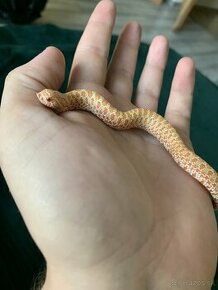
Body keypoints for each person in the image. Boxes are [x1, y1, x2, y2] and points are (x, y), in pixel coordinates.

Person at [0, 0, 217, 289]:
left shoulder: (76, 101)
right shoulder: (67, 101)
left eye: (49, 99)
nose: (45, 99)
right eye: (49, 99)